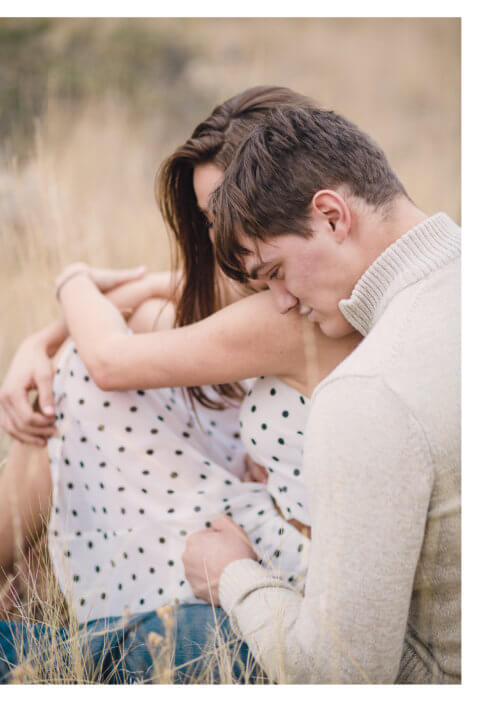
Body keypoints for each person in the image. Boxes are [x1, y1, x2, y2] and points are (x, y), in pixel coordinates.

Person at [0, 87, 360, 682]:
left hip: (287, 569)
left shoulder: (288, 313)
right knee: (103, 354)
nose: (221, 235)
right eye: (211, 217)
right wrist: (38, 343)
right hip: (271, 531)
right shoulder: (281, 288)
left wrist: (71, 279)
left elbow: (110, 359)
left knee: (86, 377)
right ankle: (14, 585)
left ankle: (0, 591)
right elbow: (166, 292)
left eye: (230, 210)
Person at [183, 105, 460, 683]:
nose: (280, 300)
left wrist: (233, 575)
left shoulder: (368, 391)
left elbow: (342, 676)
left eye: (277, 270)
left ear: (332, 216)